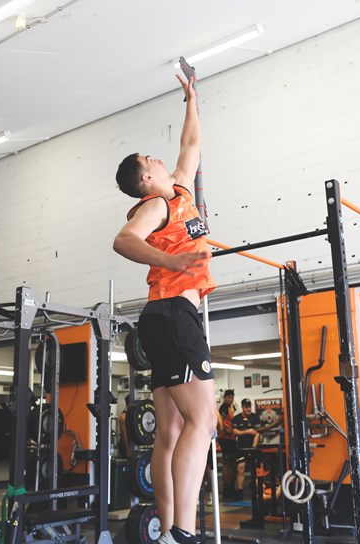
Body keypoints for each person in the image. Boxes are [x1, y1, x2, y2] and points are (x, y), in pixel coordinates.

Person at [113, 73, 218, 544]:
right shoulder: (154, 206)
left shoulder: (176, 188)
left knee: (171, 430)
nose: (159, 157)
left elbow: (191, 142)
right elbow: (123, 241)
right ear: (145, 178)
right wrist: (172, 259)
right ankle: (184, 531)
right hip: (175, 314)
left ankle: (168, 529)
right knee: (205, 420)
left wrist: (192, 99)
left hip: (165, 317)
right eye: (150, 159)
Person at [231, 398, 262, 496]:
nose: (248, 409)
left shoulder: (255, 418)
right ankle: (240, 491)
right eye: (246, 407)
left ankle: (256, 490)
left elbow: (257, 433)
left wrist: (253, 447)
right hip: (241, 447)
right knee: (240, 468)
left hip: (252, 447)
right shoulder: (237, 418)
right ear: (242, 407)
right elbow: (234, 432)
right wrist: (247, 431)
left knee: (255, 469)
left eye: (249, 407)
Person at [217, 390, 239, 499]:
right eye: (229, 397)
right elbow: (220, 420)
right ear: (225, 397)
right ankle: (226, 489)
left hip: (230, 438)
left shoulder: (230, 408)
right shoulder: (224, 407)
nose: (231, 399)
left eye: (232, 397)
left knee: (231, 463)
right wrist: (226, 429)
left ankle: (230, 487)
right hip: (225, 438)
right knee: (227, 463)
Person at [118, 394, 131, 458]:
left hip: (131, 443)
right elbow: (124, 435)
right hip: (125, 445)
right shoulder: (123, 417)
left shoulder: (132, 414)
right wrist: (128, 450)